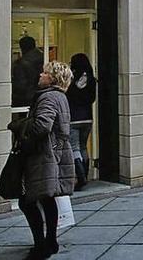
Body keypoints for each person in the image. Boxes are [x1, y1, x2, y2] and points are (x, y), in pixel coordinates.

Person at [10, 61, 75, 260]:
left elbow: (42, 126)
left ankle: (41, 245)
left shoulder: (47, 97)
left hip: (42, 155)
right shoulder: (60, 97)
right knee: (47, 199)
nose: (40, 74)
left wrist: (20, 126)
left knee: (28, 201)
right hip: (54, 153)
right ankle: (51, 241)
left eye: (45, 73)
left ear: (53, 78)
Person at [66, 53, 97, 190]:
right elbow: (92, 99)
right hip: (87, 117)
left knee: (74, 147)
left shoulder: (72, 80)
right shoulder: (91, 80)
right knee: (84, 146)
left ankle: (80, 176)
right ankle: (85, 173)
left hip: (73, 118)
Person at [12, 36, 44, 107]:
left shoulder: (21, 63)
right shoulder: (44, 58)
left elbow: (20, 85)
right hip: (41, 95)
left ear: (22, 48)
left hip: (26, 98)